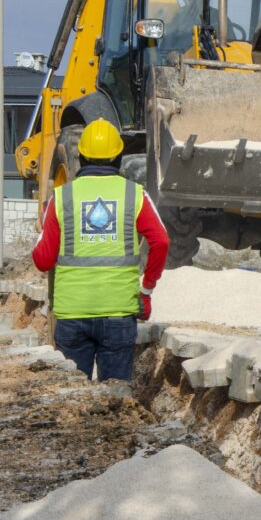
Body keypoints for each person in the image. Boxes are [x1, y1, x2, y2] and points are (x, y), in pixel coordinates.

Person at [32, 119, 170, 382]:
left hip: (72, 315)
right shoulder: (135, 194)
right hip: (119, 314)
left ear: (81, 157)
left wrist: (42, 231)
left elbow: (43, 259)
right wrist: (147, 290)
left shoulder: (61, 198)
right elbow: (161, 241)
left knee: (73, 399)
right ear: (118, 156)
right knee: (116, 400)